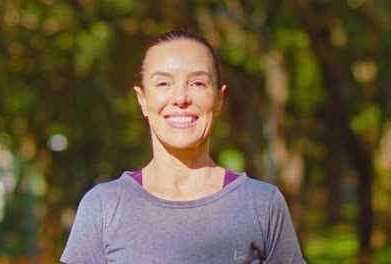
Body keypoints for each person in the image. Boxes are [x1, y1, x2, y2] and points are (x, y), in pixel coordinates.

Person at [61, 29, 306, 264]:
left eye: (197, 83)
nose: (181, 98)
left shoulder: (262, 203)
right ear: (143, 100)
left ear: (219, 99)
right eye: (163, 84)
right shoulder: (103, 206)